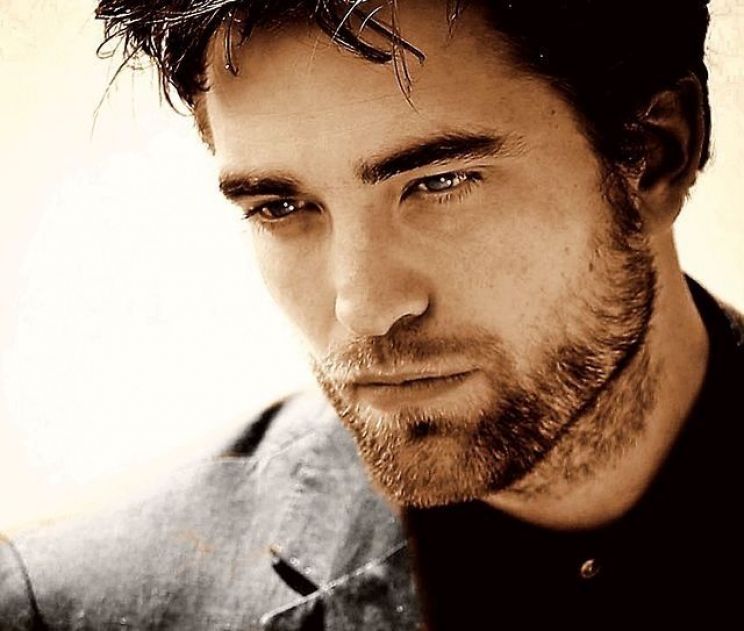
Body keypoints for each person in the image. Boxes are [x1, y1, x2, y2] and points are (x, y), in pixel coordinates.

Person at [1, 0, 742, 628]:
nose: (361, 309)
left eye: (439, 182)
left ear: (655, 156)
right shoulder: (66, 606)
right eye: (280, 206)